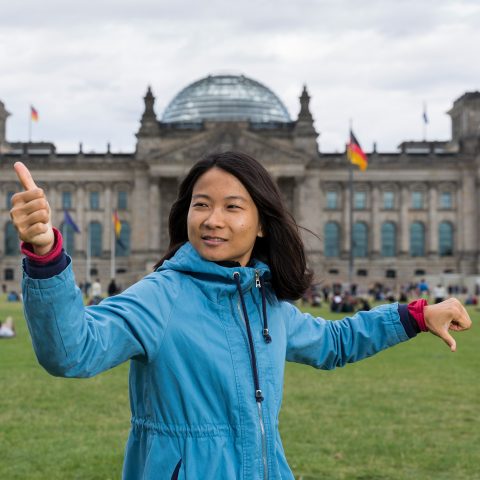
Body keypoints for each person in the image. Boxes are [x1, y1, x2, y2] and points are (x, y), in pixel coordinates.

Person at [10, 153, 472, 480]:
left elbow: (333, 344)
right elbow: (72, 352)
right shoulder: (161, 296)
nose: (213, 220)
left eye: (233, 206)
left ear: (262, 220)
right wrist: (47, 255)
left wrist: (413, 316)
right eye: (201, 204)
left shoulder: (264, 300)